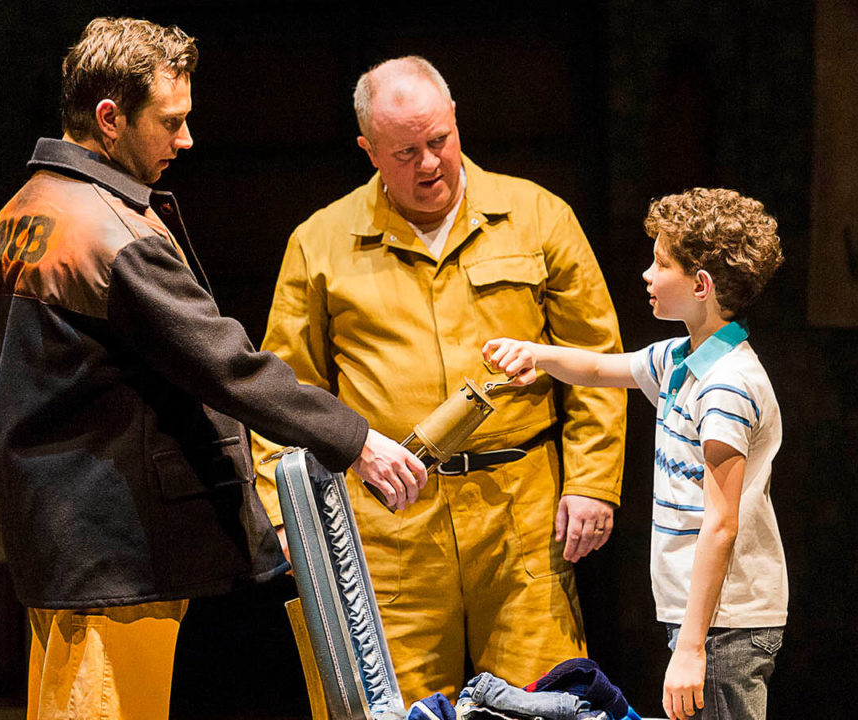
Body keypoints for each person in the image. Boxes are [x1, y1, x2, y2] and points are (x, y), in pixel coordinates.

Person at [0, 18, 425, 719]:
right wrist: (357, 440)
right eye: (171, 121)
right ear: (108, 118)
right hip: (118, 554)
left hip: (56, 540)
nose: (186, 140)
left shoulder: (17, 216)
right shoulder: (108, 233)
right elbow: (224, 363)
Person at [252, 56, 627, 701]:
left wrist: (593, 483)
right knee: (390, 707)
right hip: (389, 526)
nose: (429, 163)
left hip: (522, 523)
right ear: (368, 150)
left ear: (456, 122)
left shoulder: (539, 218)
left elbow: (596, 359)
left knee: (541, 704)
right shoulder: (321, 242)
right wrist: (287, 519)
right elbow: (285, 393)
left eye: (438, 141)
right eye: (405, 152)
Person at [483, 187, 787, 720]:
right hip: (701, 619)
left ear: (701, 285)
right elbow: (602, 370)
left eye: (660, 262)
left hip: (725, 623)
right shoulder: (679, 359)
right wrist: (537, 354)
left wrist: (692, 648)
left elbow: (721, 524)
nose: (647, 273)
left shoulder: (726, 385)